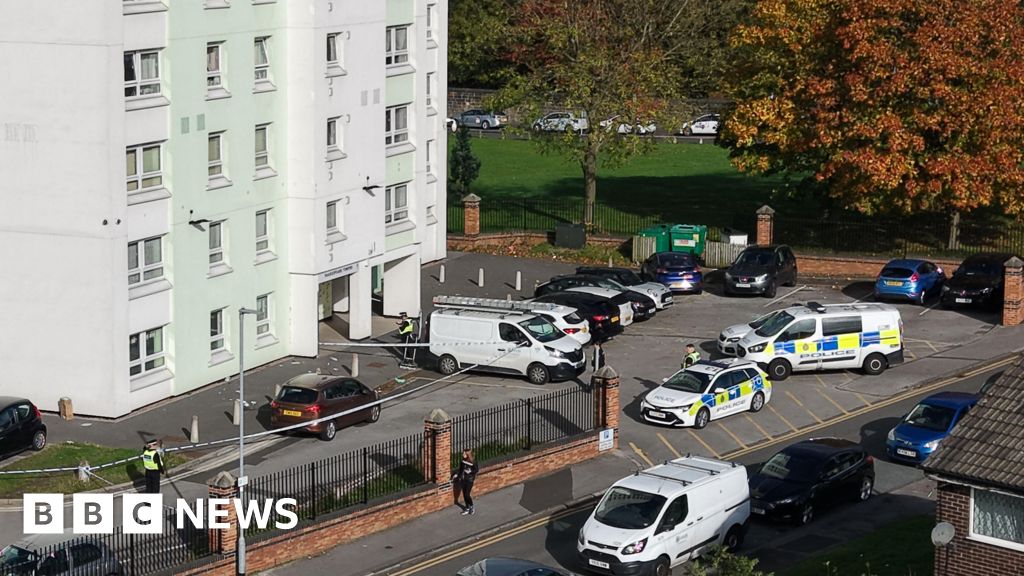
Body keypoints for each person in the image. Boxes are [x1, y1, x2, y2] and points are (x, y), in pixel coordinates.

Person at [452, 449, 478, 515]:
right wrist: (457, 475)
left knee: (467, 494)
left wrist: (470, 471)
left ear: (467, 455)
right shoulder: (463, 461)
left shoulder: (473, 462)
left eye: (464, 453)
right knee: (464, 494)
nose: (462, 454)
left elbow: (476, 470)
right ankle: (467, 508)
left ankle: (472, 507)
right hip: (463, 479)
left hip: (469, 480)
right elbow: (460, 470)